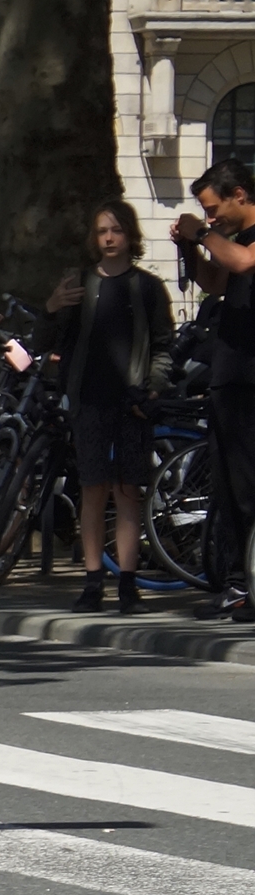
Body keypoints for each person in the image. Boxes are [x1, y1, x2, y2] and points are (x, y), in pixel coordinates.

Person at [44, 201, 173, 614]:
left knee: (128, 491)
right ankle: (93, 580)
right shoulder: (79, 284)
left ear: (130, 235)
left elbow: (164, 346)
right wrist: (51, 308)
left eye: (116, 230)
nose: (109, 238)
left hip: (130, 402)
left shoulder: (147, 287)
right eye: (102, 231)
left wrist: (152, 389)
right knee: (93, 489)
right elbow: (52, 340)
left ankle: (128, 584)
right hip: (90, 399)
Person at [173, 159, 255, 621]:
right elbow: (216, 281)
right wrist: (191, 249)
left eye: (214, 208)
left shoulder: (246, 243)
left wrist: (202, 235)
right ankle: (238, 584)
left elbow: (243, 262)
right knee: (228, 488)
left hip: (251, 379)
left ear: (239, 194)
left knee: (248, 487)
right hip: (230, 375)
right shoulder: (234, 240)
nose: (211, 218)